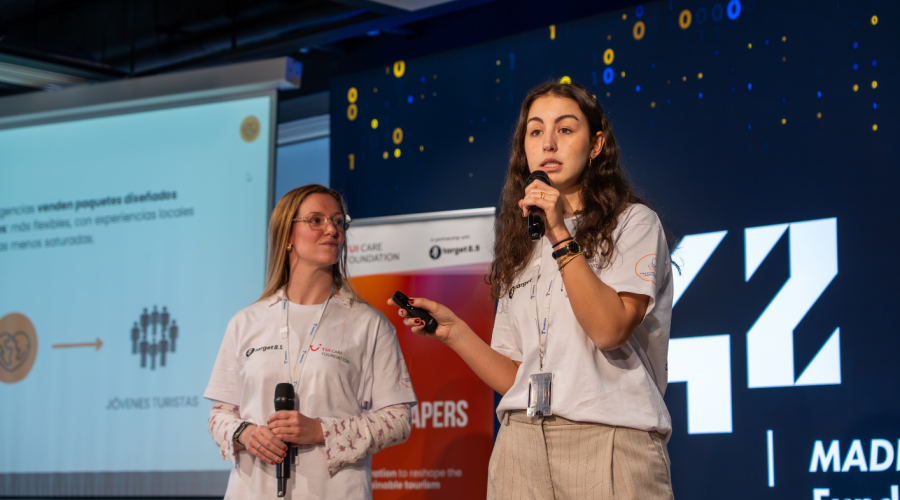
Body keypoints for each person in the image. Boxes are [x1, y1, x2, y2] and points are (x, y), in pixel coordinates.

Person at [390, 81, 675, 500]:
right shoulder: (520, 244)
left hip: (608, 440)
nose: (549, 144)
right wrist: (455, 333)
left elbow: (608, 330)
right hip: (520, 446)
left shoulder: (633, 223)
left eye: (565, 129)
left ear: (595, 145)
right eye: (536, 131)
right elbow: (515, 376)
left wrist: (560, 231)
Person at [206, 184, 417, 499]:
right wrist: (245, 434)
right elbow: (219, 415)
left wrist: (320, 430)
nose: (332, 229)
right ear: (288, 235)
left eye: (338, 221)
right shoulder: (245, 322)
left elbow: (398, 420)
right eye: (316, 220)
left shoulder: (368, 324)